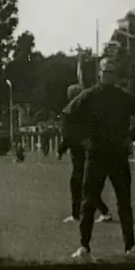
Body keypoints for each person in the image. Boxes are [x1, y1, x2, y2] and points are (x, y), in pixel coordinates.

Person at [61, 57, 135, 259]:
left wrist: (131, 136)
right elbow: (67, 115)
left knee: (124, 201)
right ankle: (84, 246)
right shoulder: (89, 95)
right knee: (89, 201)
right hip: (96, 155)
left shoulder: (123, 97)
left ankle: (130, 246)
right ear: (99, 73)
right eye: (106, 71)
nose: (109, 75)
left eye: (112, 71)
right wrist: (81, 139)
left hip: (118, 154)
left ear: (115, 75)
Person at [57, 82, 112, 225]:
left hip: (79, 152)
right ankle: (97, 211)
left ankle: (83, 214)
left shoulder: (69, 112)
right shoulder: (90, 112)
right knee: (85, 184)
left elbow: (68, 134)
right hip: (91, 151)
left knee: (79, 184)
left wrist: (61, 149)